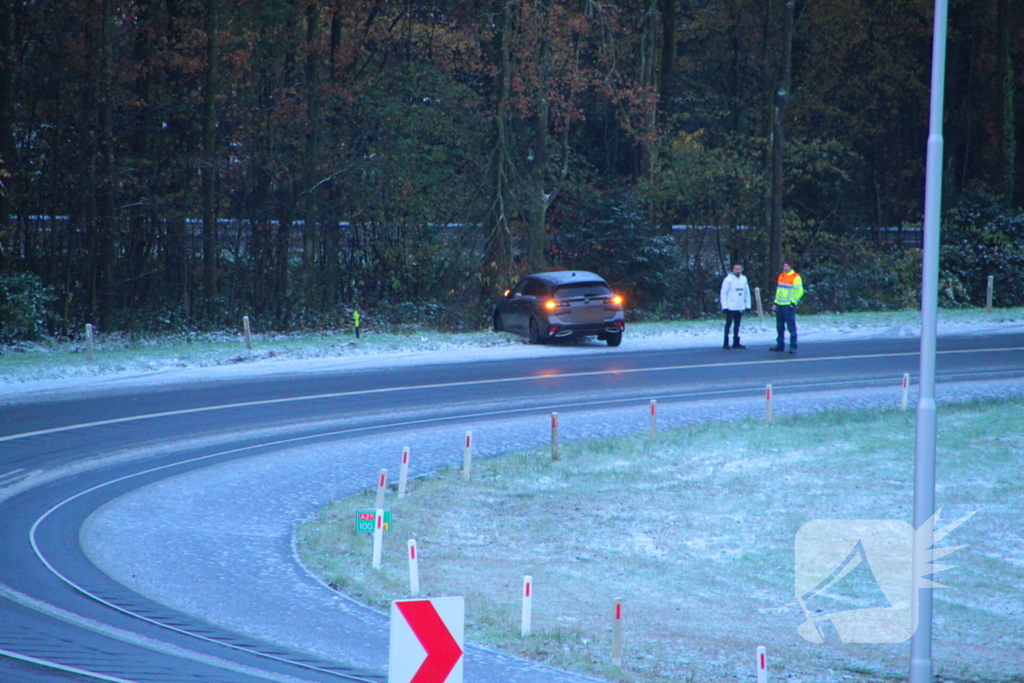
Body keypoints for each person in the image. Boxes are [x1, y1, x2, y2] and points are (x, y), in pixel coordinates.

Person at [770, 259, 804, 354]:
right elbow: (779, 291)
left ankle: (793, 346)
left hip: (788, 306)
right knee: (779, 326)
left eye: (787, 266)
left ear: (790, 267)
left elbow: (800, 291)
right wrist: (775, 303)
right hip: (780, 305)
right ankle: (780, 345)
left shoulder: (795, 277)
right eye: (784, 266)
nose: (785, 268)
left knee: (791, 327)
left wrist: (793, 302)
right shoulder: (781, 276)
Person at [720, 263, 751, 349]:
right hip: (730, 306)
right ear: (733, 270)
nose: (737, 271)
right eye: (736, 269)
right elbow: (723, 293)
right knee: (728, 324)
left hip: (740, 306)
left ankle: (736, 342)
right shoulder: (728, 279)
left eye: (739, 269)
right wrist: (724, 306)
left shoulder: (744, 279)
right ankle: (726, 342)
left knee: (737, 324)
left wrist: (747, 305)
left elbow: (746, 292)